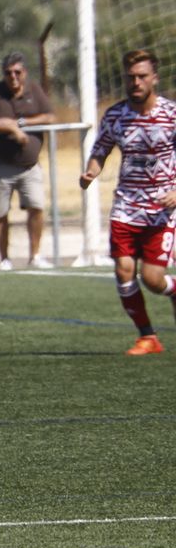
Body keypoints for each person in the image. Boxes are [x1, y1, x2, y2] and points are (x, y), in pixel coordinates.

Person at [79, 49, 176, 356]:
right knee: (123, 270)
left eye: (142, 76)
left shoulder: (171, 115)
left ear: (154, 78)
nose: (136, 82)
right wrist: (92, 169)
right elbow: (102, 148)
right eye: (131, 77)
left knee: (152, 279)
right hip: (126, 207)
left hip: (162, 210)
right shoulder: (115, 115)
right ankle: (147, 336)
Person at [0, 52, 56, 271]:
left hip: (30, 165)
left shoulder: (34, 89)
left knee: (37, 207)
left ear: (25, 73)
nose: (13, 77)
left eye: (17, 72)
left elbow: (49, 116)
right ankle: (5, 259)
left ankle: (36, 255)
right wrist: (10, 128)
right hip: (0, 164)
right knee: (0, 213)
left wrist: (20, 123)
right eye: (8, 73)